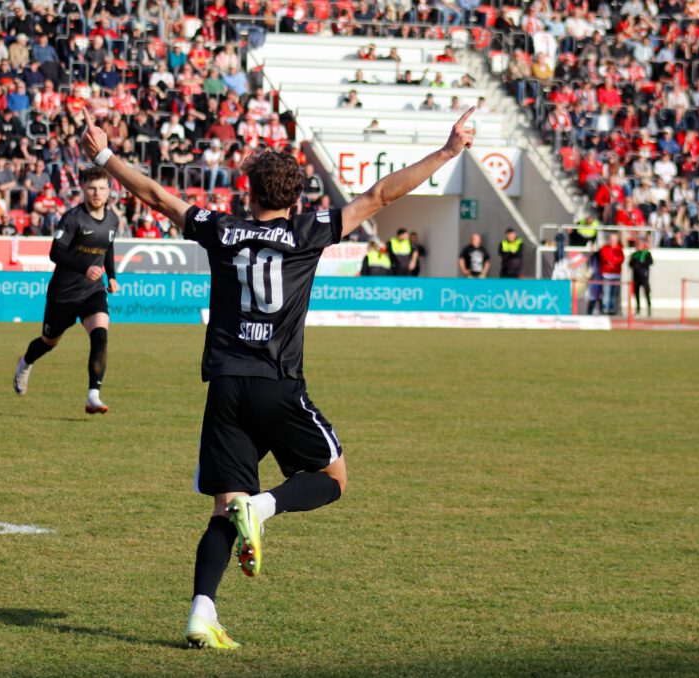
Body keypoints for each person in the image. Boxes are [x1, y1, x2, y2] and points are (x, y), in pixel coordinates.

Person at [76, 106, 477, 649]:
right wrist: (449, 151)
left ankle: (201, 612)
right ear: (295, 198)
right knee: (333, 478)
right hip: (277, 383)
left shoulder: (220, 229)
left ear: (249, 194)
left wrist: (103, 153)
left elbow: (155, 195)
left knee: (223, 509)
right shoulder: (308, 231)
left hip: (225, 385)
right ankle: (263, 507)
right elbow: (381, 195)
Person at [13, 166, 120, 415]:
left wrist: (112, 276)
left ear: (109, 191)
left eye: (102, 188)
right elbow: (55, 252)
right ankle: (25, 362)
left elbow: (108, 247)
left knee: (100, 334)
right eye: (92, 188)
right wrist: (85, 267)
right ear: (83, 189)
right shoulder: (73, 218)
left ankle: (93, 395)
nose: (97, 193)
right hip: (63, 294)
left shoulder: (113, 219)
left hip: (92, 291)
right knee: (48, 342)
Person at [599, 233, 625, 314]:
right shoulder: (604, 248)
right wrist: (614, 260)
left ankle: (612, 309)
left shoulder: (619, 249)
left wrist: (613, 261)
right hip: (606, 275)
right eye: (611, 239)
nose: (612, 241)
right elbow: (605, 258)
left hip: (616, 274)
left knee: (614, 294)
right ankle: (605, 309)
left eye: (614, 239)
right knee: (606, 293)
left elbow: (621, 259)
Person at [629, 238, 653, 316]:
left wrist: (641, 263)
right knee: (636, 293)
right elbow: (630, 264)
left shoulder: (647, 253)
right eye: (637, 245)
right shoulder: (634, 254)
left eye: (639, 245)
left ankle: (649, 309)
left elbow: (650, 262)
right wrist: (635, 264)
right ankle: (638, 309)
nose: (638, 246)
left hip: (644, 277)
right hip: (636, 277)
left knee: (646, 293)